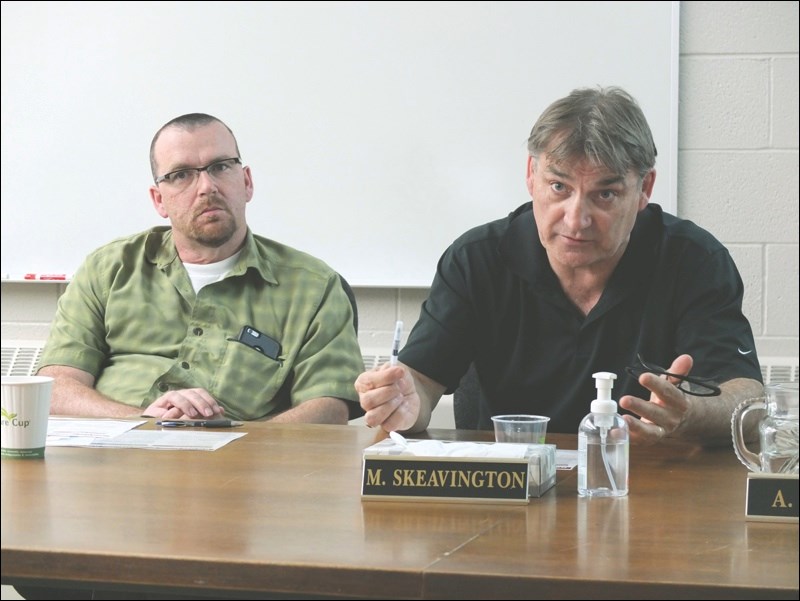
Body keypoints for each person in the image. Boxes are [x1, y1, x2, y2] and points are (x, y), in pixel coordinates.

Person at [355, 86, 763, 446]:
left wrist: (691, 415)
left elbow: (747, 398)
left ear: (645, 189)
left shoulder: (692, 260)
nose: (575, 219)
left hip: (645, 487)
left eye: (604, 195)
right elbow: (422, 384)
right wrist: (404, 403)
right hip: (508, 491)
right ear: (532, 175)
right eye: (558, 187)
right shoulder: (477, 259)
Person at [36, 113, 364, 424]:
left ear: (246, 182)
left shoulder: (313, 287)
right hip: (113, 459)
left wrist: (238, 438)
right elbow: (55, 388)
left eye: (220, 167)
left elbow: (329, 407)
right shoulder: (109, 269)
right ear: (159, 200)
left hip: (239, 470)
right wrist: (143, 421)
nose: (207, 187)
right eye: (181, 175)